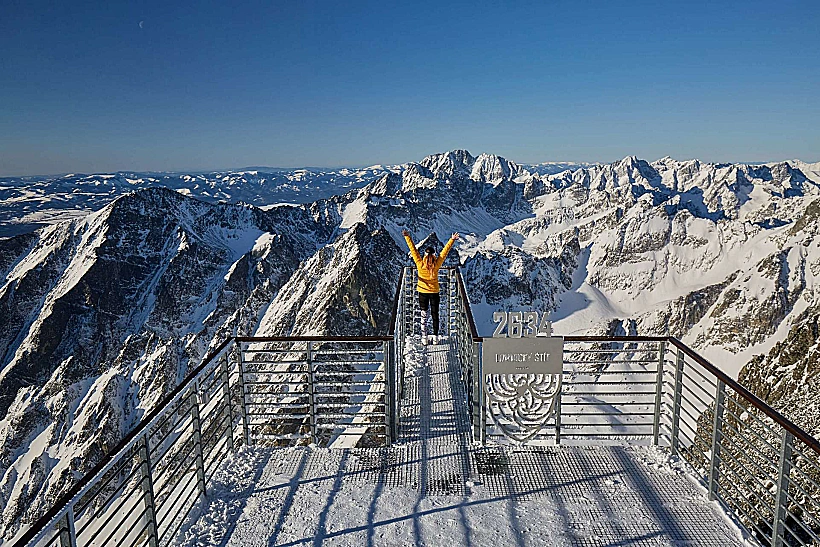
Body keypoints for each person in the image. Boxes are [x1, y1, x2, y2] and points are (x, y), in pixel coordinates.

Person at [401, 229, 460, 344]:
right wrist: (452, 240)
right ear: (434, 255)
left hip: (422, 292)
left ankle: (424, 338)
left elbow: (413, 250)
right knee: (434, 315)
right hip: (434, 292)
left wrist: (407, 237)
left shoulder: (419, 264)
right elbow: (444, 253)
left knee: (423, 316)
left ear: (424, 255)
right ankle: (436, 337)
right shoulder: (436, 265)